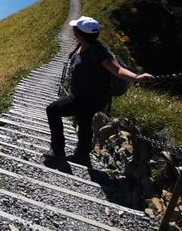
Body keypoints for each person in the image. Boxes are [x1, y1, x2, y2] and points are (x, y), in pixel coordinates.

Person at [44, 16, 153, 166]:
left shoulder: (99, 51)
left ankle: (58, 150)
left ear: (80, 33)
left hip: (90, 98)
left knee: (53, 110)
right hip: (83, 95)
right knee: (83, 120)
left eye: (75, 28)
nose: (73, 30)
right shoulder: (82, 45)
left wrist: (136, 77)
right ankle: (82, 155)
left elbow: (118, 69)